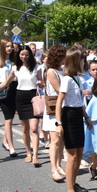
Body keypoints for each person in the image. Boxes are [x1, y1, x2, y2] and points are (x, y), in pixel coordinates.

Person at [55, 49, 93, 192]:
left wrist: (86, 117)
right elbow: (59, 102)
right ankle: (69, 191)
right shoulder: (67, 79)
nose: (84, 62)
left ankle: (74, 182)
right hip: (68, 116)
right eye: (82, 60)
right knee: (71, 155)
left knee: (79, 152)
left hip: (78, 114)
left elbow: (79, 101)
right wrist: (59, 123)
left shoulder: (77, 78)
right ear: (76, 61)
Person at [0, 45, 43, 165]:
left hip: (33, 97)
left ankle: (35, 155)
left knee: (34, 128)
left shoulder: (36, 67)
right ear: (19, 55)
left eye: (27, 54)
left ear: (31, 55)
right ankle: (28, 152)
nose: (24, 57)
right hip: (20, 97)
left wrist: (40, 82)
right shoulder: (15, 68)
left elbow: (41, 81)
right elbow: (6, 83)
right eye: (22, 54)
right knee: (25, 128)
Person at [43, 45, 67, 182]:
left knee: (62, 139)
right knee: (55, 140)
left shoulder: (63, 70)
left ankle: (58, 164)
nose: (63, 59)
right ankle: (53, 169)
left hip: (63, 106)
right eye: (61, 56)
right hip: (53, 108)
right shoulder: (51, 71)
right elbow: (59, 89)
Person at [0, 40, 19, 157]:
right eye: (8, 46)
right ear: (3, 48)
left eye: (11, 47)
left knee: (11, 118)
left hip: (15, 88)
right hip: (3, 89)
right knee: (8, 119)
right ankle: (11, 147)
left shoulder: (15, 61)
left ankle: (5, 141)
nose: (10, 48)